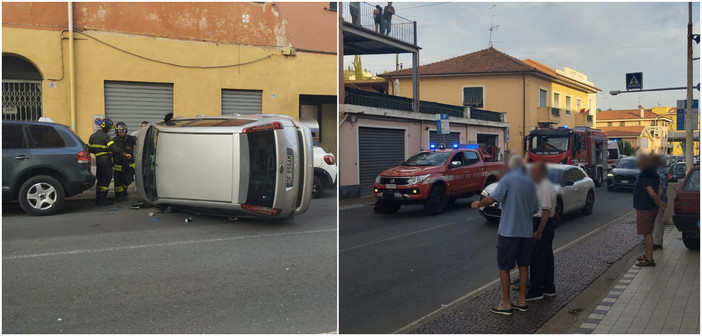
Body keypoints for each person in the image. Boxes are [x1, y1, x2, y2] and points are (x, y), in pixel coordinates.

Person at [471, 155, 540, 315]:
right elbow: (535, 209)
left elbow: (491, 199)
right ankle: (522, 300)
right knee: (524, 267)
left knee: (504, 267)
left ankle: (507, 303)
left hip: (508, 232)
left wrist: (478, 203)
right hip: (526, 232)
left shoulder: (507, 180)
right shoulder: (530, 183)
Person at [525, 162, 557, 301]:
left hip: (542, 223)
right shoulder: (542, 185)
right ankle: (548, 288)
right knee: (546, 257)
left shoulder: (545, 187)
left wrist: (539, 231)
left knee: (537, 259)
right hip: (546, 224)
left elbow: (545, 211)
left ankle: (536, 290)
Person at [633, 153, 666, 267]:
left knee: (647, 234)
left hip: (645, 208)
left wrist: (658, 202)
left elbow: (651, 192)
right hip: (652, 208)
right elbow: (660, 188)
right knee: (649, 233)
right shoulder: (654, 174)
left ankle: (649, 259)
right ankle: (647, 254)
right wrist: (658, 200)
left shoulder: (645, 175)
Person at [88, 119, 131, 206]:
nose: (109, 130)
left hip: (98, 161)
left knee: (100, 179)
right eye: (109, 129)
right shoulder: (106, 137)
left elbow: (90, 149)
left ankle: (98, 199)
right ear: (106, 128)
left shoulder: (92, 136)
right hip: (106, 161)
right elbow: (114, 148)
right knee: (106, 179)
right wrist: (124, 154)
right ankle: (102, 200)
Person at [113, 122, 137, 202]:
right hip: (118, 165)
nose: (121, 133)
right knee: (118, 182)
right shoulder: (114, 141)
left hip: (129, 164)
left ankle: (123, 191)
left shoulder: (131, 139)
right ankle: (119, 195)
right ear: (117, 132)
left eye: (123, 131)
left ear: (125, 131)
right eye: (120, 132)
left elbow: (140, 143)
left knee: (128, 180)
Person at [652, 154, 667, 250]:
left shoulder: (660, 171)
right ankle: (654, 241)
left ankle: (657, 243)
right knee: (655, 222)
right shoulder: (658, 170)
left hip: (659, 201)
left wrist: (657, 200)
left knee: (658, 222)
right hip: (658, 200)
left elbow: (661, 187)